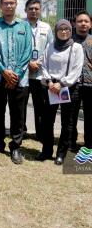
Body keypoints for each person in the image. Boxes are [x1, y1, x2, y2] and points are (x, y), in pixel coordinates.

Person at [0, 0, 32, 164]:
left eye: (12, 3)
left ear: (16, 5)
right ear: (0, 5)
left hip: (20, 78)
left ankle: (16, 146)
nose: (9, 6)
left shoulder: (24, 26)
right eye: (6, 3)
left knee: (18, 114)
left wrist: (15, 73)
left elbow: (28, 51)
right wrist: (4, 71)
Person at [37, 19, 83, 165]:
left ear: (71, 31)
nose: (63, 32)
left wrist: (61, 84)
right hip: (51, 88)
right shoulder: (50, 46)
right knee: (47, 121)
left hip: (68, 88)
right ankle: (46, 151)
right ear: (56, 31)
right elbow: (43, 65)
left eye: (67, 29)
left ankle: (61, 154)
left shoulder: (76, 48)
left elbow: (76, 70)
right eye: (60, 29)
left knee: (67, 123)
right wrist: (50, 82)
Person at [24, 0, 53, 140]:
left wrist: (38, 63)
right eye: (31, 8)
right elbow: (17, 49)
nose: (34, 11)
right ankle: (20, 131)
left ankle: (40, 133)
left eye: (36, 8)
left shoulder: (46, 28)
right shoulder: (20, 25)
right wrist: (28, 62)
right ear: (25, 10)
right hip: (24, 73)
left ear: (40, 10)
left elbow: (50, 49)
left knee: (40, 106)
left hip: (40, 74)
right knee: (21, 105)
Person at [72, 11, 92, 150]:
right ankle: (70, 143)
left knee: (90, 116)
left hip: (91, 85)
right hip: (73, 84)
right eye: (80, 21)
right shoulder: (68, 41)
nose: (83, 24)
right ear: (74, 24)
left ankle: (89, 144)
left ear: (90, 24)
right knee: (71, 116)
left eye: (86, 21)